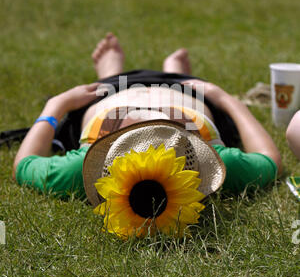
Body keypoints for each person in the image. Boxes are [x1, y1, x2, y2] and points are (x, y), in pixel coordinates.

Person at [13, 33, 282, 237]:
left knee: (108, 81)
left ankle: (112, 71)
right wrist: (225, 100)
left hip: (111, 91)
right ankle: (175, 69)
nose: (147, 116)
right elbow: (269, 160)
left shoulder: (83, 168)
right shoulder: (210, 164)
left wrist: (56, 106)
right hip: (185, 90)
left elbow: (24, 165)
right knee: (185, 78)